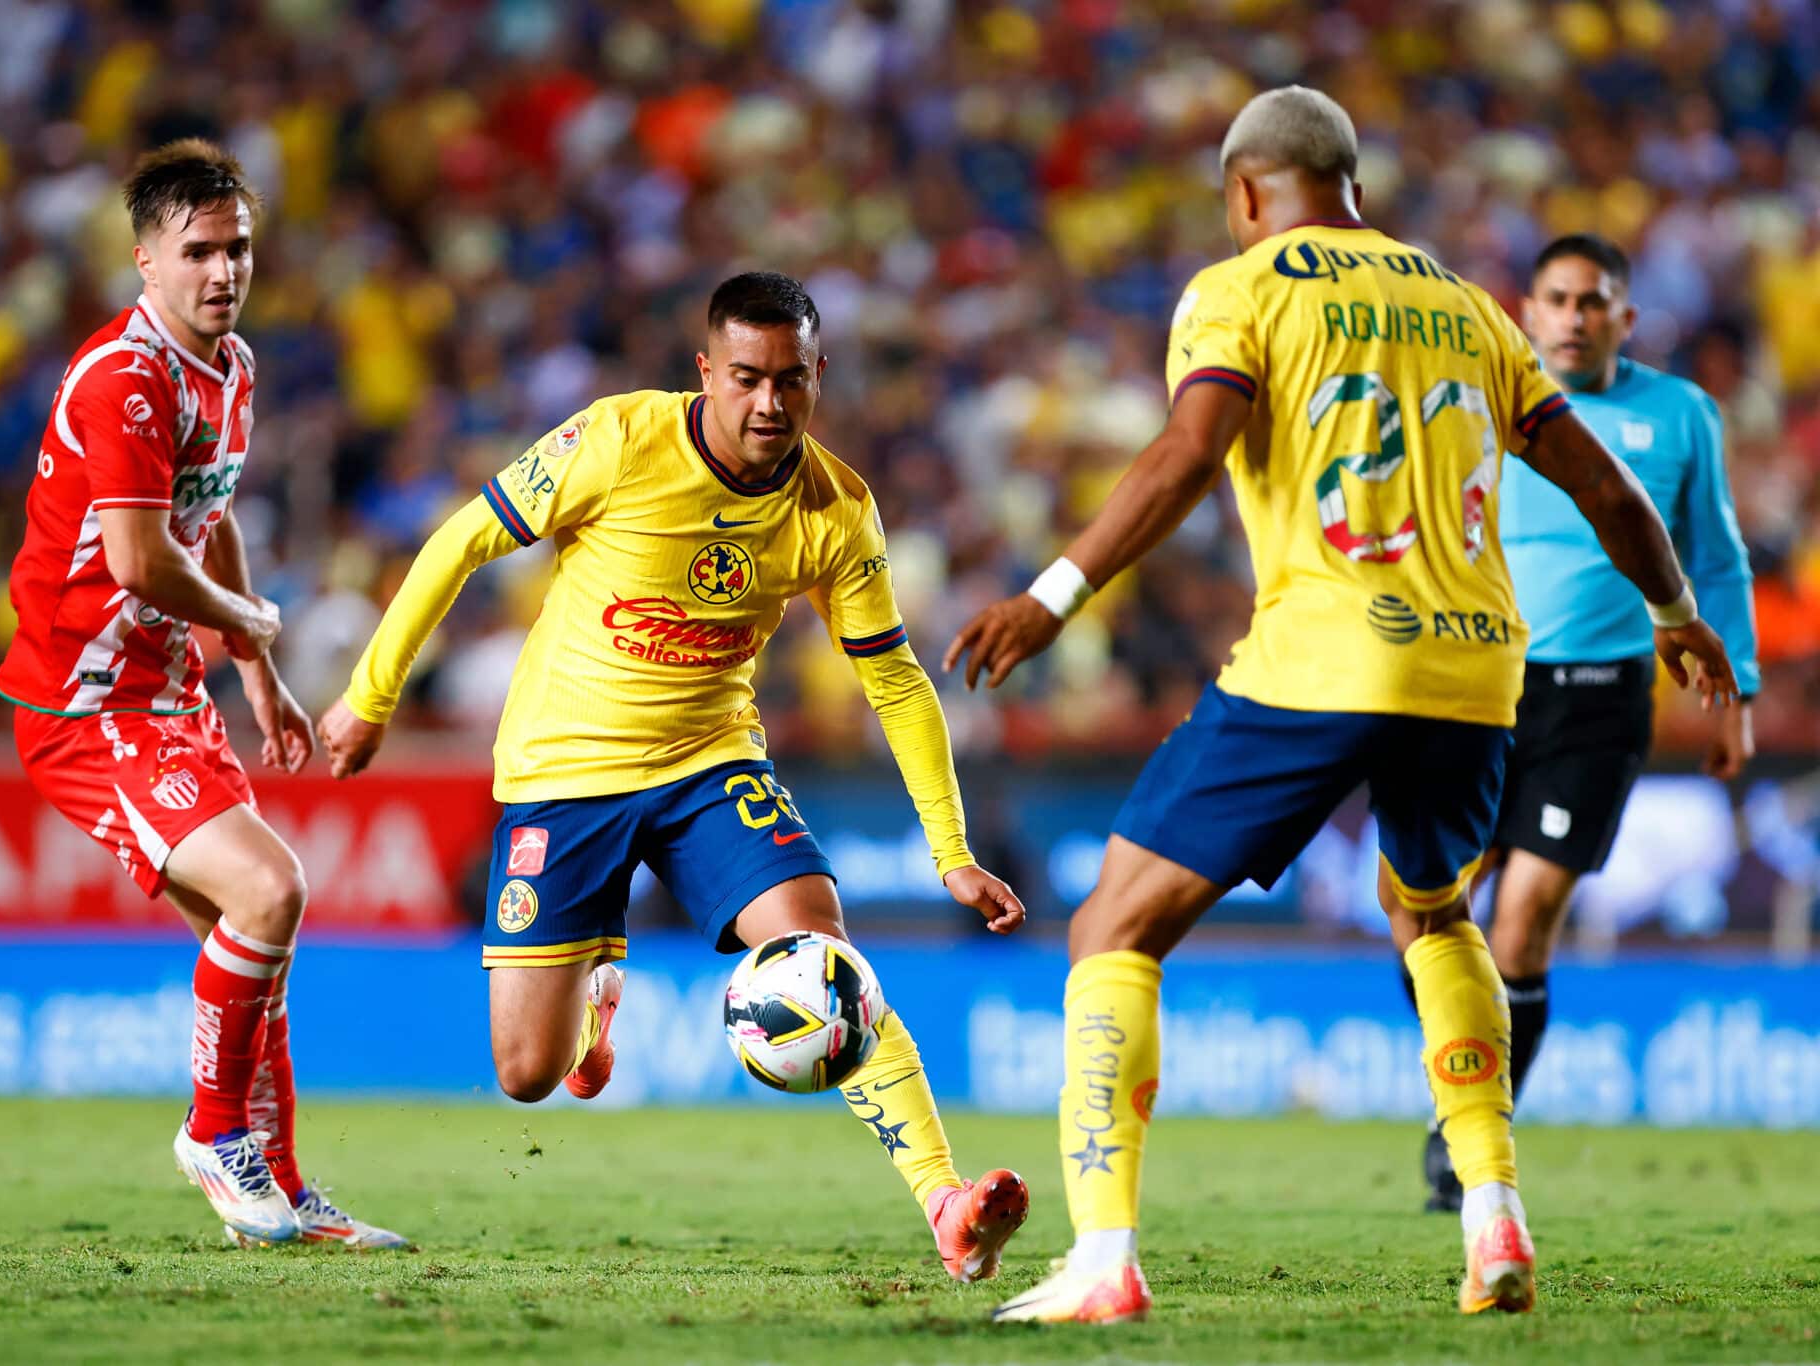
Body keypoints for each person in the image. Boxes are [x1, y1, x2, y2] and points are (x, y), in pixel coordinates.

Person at [944, 87, 1740, 1324]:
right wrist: (1678, 615)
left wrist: (1054, 594)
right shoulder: (1471, 308)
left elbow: (1185, 453)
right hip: (1479, 669)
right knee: (1433, 915)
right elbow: (1608, 488)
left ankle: (1102, 1258)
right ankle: (1490, 1219)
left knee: (1111, 925)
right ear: (1350, 182)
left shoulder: (1239, 287)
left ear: (1247, 192)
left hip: (1325, 658)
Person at [318, 271, 1033, 1284]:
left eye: (791, 381)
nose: (769, 405)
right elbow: (460, 540)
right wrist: (369, 695)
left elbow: (898, 684)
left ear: (818, 376)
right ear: (705, 371)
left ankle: (944, 1203)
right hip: (565, 767)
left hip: (710, 761)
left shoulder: (835, 508)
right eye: (745, 378)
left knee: (819, 950)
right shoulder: (614, 440)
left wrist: (950, 854)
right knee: (527, 1073)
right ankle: (595, 1000)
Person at [0, 139, 402, 1249]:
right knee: (270, 895)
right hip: (86, 705)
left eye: (239, 249)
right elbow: (136, 557)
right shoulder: (126, 375)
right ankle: (214, 1134)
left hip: (166, 695)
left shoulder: (231, 369)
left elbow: (205, 511)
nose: (223, 271)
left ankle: (278, 1186)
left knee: (251, 944)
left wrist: (255, 674)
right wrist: (252, 618)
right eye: (199, 252)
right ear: (144, 261)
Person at [1407, 234, 1760, 1211]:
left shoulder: (1678, 415)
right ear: (1526, 311)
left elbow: (1717, 561)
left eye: (1590, 301)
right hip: (1474, 684)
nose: (1571, 316)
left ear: (1624, 318)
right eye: (1555, 299)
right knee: (1428, 912)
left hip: (1599, 698)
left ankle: (1464, 1133)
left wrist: (1736, 696)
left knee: (1519, 926)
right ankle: (1461, 1082)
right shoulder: (1477, 399)